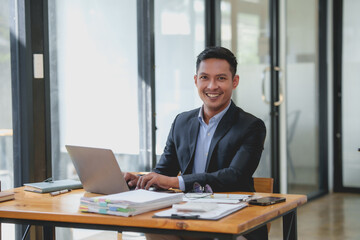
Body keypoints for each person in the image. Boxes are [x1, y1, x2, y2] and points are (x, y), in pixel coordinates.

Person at [125, 46, 267, 240]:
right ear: (195, 80)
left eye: (221, 78)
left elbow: (234, 176)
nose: (212, 86)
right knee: (154, 231)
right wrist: (142, 181)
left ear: (235, 82)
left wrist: (176, 182)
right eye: (204, 77)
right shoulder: (181, 122)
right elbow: (164, 172)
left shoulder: (251, 126)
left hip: (233, 220)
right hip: (188, 216)